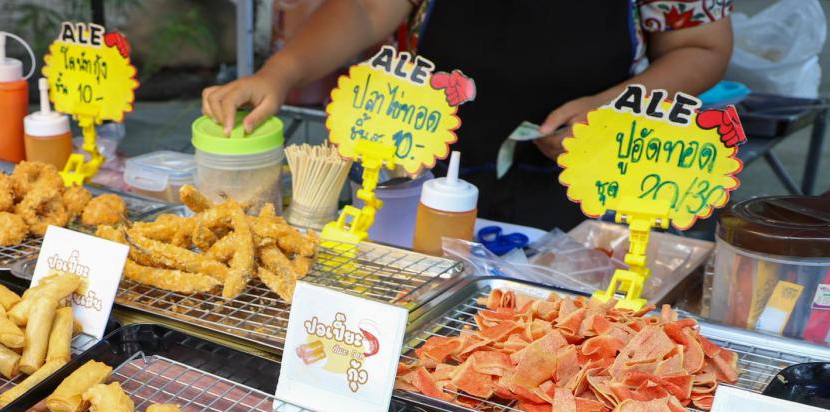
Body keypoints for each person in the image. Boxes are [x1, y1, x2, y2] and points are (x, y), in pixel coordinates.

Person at [203, 1, 733, 228]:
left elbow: (702, 46)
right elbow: (364, 8)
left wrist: (607, 107)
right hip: (425, 170)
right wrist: (280, 73)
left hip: (596, 183)